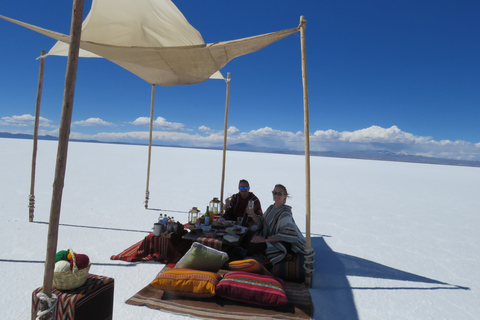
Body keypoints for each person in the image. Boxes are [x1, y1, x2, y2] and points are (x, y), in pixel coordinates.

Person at [248, 184, 306, 266]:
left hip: (280, 243)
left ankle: (263, 262)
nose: (276, 195)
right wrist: (252, 214)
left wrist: (264, 239)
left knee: (254, 245)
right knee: (248, 235)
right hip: (268, 238)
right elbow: (262, 222)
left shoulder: (285, 213)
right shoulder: (271, 208)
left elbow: (289, 234)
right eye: (274, 193)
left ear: (285, 196)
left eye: (279, 193)